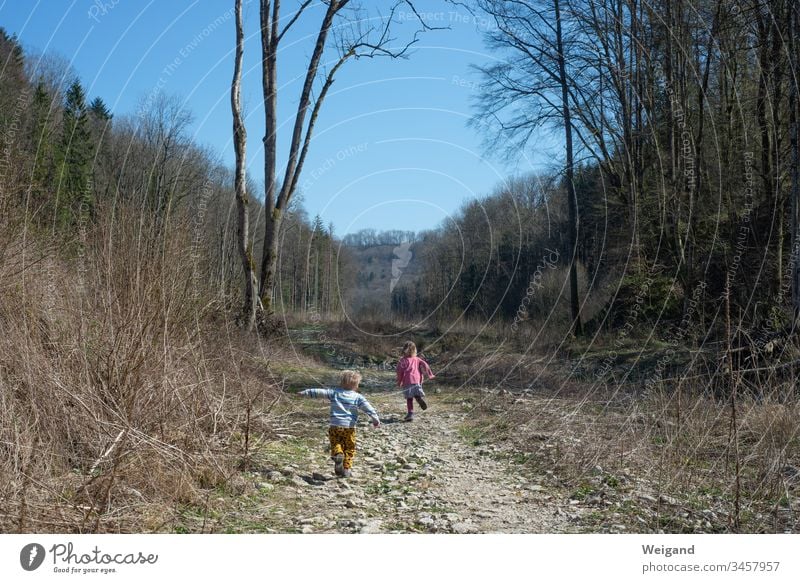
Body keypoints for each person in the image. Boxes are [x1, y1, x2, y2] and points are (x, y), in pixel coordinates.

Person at [298, 370, 380, 478]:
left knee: (336, 443)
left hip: (334, 426)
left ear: (341, 383)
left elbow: (320, 392)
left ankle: (337, 454)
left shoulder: (334, 393)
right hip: (349, 428)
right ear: (356, 385)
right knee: (349, 448)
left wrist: (306, 392)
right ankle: (346, 469)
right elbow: (368, 408)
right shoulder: (358, 397)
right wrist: (375, 419)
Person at [396, 341, 435, 422]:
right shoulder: (417, 359)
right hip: (417, 380)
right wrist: (430, 374)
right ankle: (419, 398)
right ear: (415, 350)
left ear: (404, 350)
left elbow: (399, 371)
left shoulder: (402, 360)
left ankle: (410, 414)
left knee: (409, 398)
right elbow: (425, 365)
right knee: (416, 394)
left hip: (407, 381)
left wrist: (399, 381)